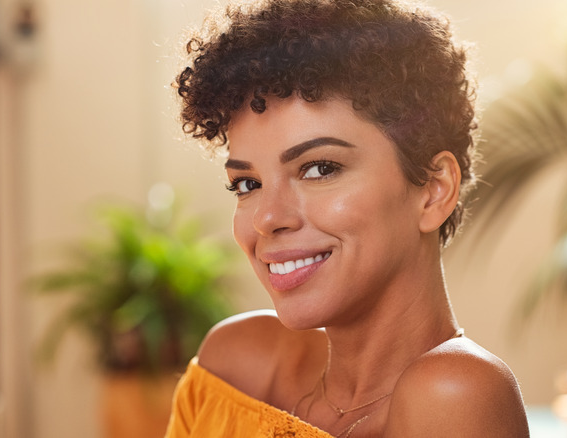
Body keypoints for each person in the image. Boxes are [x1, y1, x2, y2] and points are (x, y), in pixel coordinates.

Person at [165, 0, 530, 436]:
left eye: (320, 168)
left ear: (434, 190)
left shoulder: (454, 392)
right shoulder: (232, 368)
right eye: (247, 184)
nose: (266, 218)